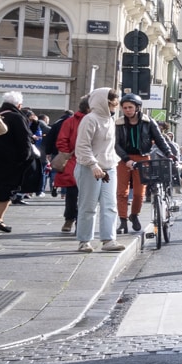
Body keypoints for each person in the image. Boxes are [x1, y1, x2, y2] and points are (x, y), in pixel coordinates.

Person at [113, 93, 174, 236]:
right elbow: (115, 144)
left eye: (130, 107)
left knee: (139, 193)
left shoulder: (148, 122)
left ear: (138, 107)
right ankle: (122, 221)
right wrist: (126, 159)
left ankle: (134, 215)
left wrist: (169, 153)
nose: (127, 110)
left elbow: (159, 139)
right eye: (125, 108)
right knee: (122, 192)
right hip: (123, 159)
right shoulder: (118, 123)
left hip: (143, 158)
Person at [75, 88, 120, 252]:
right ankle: (84, 241)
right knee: (88, 205)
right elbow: (82, 146)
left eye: (115, 103)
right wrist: (93, 164)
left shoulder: (110, 120)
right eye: (112, 103)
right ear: (102, 102)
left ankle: (109, 240)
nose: (114, 106)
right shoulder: (90, 119)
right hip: (88, 168)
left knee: (110, 204)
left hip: (109, 166)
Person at [0, 92, 34, 232]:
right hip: (12, 161)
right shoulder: (17, 117)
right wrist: (25, 157)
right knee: (8, 189)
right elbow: (24, 139)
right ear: (19, 105)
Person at [54, 98, 84, 234]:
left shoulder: (71, 121)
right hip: (74, 159)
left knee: (75, 193)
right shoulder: (71, 121)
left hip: (85, 160)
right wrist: (67, 154)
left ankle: (75, 220)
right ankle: (71, 218)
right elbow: (62, 140)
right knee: (74, 192)